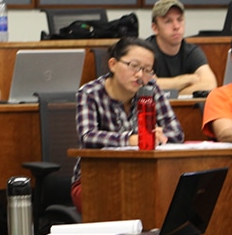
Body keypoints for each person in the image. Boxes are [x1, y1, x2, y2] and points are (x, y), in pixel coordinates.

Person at [71, 37, 185, 207]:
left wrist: (159, 136)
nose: (140, 75)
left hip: (141, 174)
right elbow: (88, 137)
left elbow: (176, 132)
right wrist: (131, 139)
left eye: (147, 70)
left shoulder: (151, 89)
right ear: (113, 64)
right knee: (134, 198)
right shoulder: (90, 93)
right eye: (133, 66)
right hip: (95, 177)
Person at [146, 0, 216, 95]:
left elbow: (210, 84)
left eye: (179, 19)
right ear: (155, 28)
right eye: (168, 21)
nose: (176, 26)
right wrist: (188, 79)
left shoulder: (191, 51)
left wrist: (175, 94)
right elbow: (145, 84)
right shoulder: (145, 52)